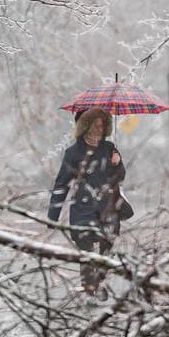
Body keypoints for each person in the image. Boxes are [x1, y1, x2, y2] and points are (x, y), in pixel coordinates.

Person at [47, 107, 125, 299]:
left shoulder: (109, 148)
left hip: (108, 206)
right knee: (85, 248)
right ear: (85, 126)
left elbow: (120, 177)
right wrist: (52, 216)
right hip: (83, 207)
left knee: (108, 245)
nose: (99, 128)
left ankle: (99, 280)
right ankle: (90, 289)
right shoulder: (73, 153)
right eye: (95, 124)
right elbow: (61, 184)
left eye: (102, 124)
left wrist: (117, 163)